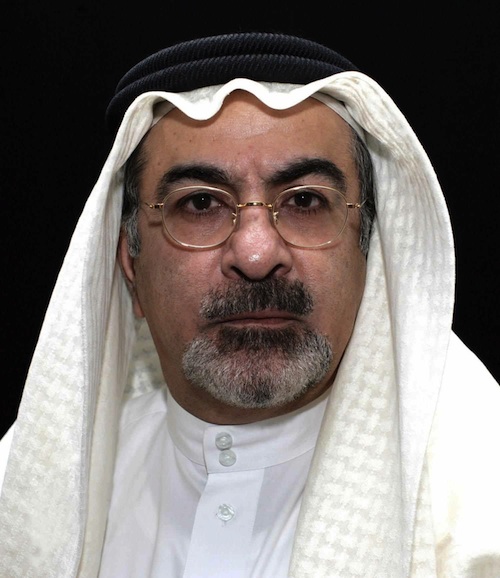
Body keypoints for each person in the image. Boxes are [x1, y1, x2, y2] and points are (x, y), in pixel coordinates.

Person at [0, 32, 499, 578]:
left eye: (305, 201)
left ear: (370, 255)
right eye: (200, 203)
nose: (257, 255)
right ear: (130, 266)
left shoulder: (478, 502)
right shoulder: (25, 486)